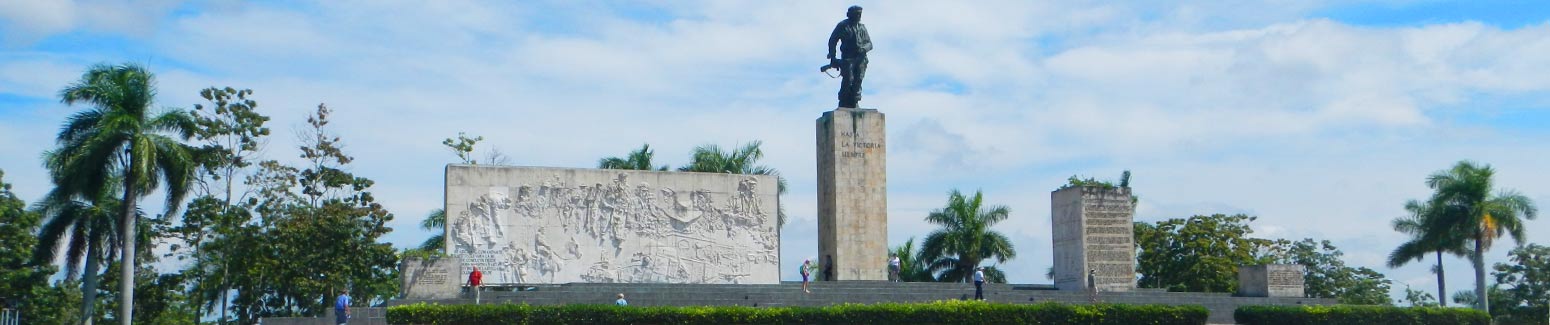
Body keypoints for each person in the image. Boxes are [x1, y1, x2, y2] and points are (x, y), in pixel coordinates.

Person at [826, 5, 872, 108]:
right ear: (849, 14)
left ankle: (855, 101)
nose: (859, 16)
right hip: (848, 58)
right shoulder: (842, 26)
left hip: (861, 59)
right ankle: (843, 101)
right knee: (848, 79)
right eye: (856, 14)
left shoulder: (862, 27)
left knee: (858, 79)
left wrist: (864, 49)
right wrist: (833, 57)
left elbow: (869, 43)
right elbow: (833, 40)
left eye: (860, 14)